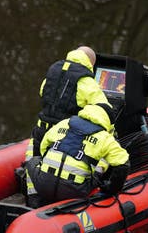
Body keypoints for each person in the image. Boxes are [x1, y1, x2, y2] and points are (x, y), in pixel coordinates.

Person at [22, 46, 112, 207]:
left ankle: (33, 203)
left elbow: (43, 92)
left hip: (41, 129)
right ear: (91, 63)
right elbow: (103, 108)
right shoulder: (85, 80)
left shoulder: (54, 70)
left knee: (34, 163)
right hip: (61, 134)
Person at [25, 104, 129, 205]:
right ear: (109, 122)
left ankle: (34, 197)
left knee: (34, 160)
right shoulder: (106, 138)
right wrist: (111, 189)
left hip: (43, 184)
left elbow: (44, 147)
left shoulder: (64, 123)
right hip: (75, 191)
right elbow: (123, 164)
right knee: (102, 161)